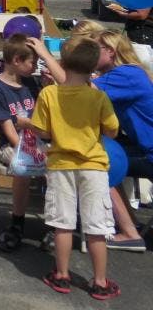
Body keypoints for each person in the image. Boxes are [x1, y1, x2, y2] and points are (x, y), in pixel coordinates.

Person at [31, 36, 121, 300]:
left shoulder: (48, 93)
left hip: (61, 165)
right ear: (93, 68)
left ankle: (61, 274)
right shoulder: (98, 97)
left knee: (63, 224)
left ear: (63, 61)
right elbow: (113, 131)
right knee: (96, 226)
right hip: (93, 166)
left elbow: (42, 131)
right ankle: (100, 281)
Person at [0, 35, 66, 252]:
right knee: (22, 167)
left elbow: (42, 116)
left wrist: (46, 90)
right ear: (16, 60)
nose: (36, 66)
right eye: (32, 62)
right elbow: (8, 130)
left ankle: (55, 225)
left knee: (58, 170)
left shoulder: (31, 82)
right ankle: (17, 223)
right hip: (12, 146)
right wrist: (31, 152)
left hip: (38, 142)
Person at [93, 29, 153, 252]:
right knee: (110, 154)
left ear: (109, 51)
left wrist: (49, 59)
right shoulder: (131, 72)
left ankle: (129, 232)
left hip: (150, 152)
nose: (89, 55)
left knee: (98, 163)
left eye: (93, 50)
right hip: (145, 146)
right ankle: (130, 221)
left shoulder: (126, 75)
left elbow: (82, 93)